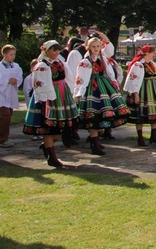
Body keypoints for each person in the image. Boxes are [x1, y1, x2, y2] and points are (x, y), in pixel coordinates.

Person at [23, 40, 78, 168]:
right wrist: (44, 99)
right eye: (54, 50)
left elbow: (69, 78)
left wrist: (72, 93)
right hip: (47, 97)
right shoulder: (42, 65)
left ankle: (48, 146)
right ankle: (52, 157)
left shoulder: (60, 63)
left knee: (60, 127)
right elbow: (39, 83)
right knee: (48, 127)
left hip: (62, 95)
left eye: (58, 50)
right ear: (46, 51)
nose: (57, 52)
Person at [73, 36, 129, 155]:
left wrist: (114, 84)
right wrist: (78, 93)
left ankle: (96, 141)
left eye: (98, 46)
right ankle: (94, 143)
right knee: (93, 115)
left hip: (103, 86)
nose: (96, 48)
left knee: (101, 115)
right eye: (93, 46)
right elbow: (81, 78)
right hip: (92, 89)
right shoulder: (85, 61)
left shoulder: (102, 58)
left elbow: (109, 71)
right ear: (88, 47)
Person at [123, 45, 156, 146]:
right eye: (153, 52)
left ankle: (153, 136)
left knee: (155, 113)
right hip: (143, 89)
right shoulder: (138, 65)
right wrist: (136, 94)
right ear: (147, 54)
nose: (154, 54)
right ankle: (140, 137)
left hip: (154, 89)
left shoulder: (152, 64)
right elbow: (134, 80)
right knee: (140, 114)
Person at [0, 45, 23, 148]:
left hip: (11, 93)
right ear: (4, 54)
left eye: (14, 54)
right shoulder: (0, 67)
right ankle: (3, 139)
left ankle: (5, 137)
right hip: (2, 94)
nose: (13, 56)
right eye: (11, 54)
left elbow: (19, 76)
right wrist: (7, 81)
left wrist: (16, 81)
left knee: (8, 115)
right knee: (5, 115)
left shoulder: (16, 66)